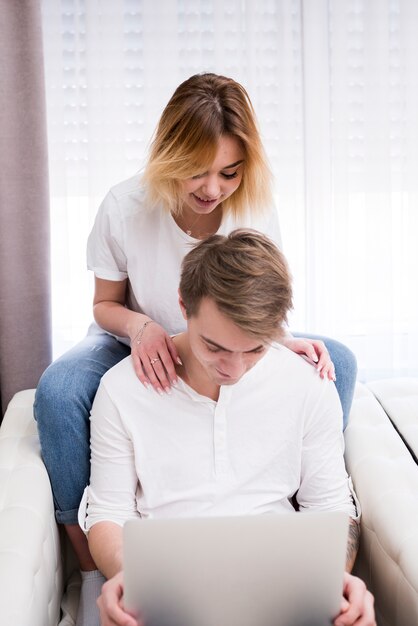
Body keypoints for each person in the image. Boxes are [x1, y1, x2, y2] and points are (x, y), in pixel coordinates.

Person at [34, 73, 357, 626]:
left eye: (228, 172)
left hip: (223, 331)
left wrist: (275, 343)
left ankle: (287, 483)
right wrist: (142, 330)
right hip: (133, 331)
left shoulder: (253, 206)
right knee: (61, 391)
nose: (212, 188)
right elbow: (105, 304)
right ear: (169, 156)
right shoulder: (126, 205)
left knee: (335, 363)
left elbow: (253, 302)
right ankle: (88, 562)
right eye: (196, 171)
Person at [80, 230, 374, 626]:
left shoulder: (308, 384)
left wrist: (331, 580)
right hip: (169, 591)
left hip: (283, 587)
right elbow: (109, 512)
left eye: (254, 349)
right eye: (215, 346)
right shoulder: (121, 391)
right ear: (183, 305)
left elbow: (331, 506)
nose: (232, 369)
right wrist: (129, 578)